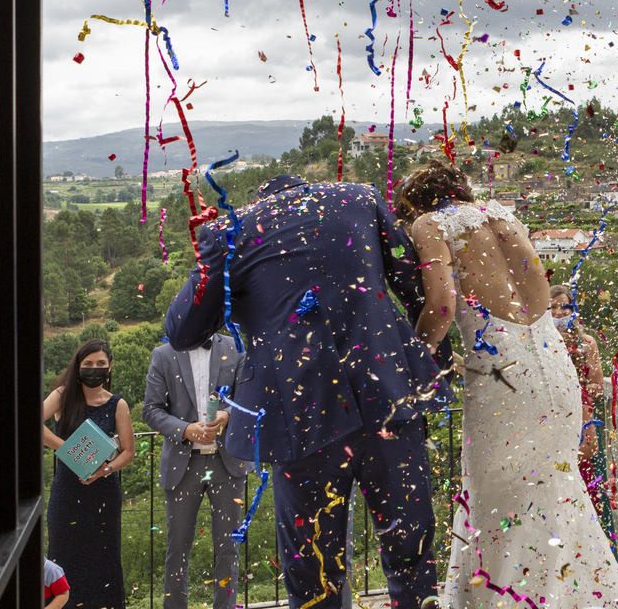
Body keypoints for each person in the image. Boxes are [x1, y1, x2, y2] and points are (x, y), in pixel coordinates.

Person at [164, 175, 446, 609]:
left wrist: (212, 268)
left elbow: (183, 330)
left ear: (261, 199)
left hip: (300, 420)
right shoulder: (361, 196)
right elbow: (415, 287)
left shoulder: (231, 231)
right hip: (390, 400)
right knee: (412, 554)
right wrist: (431, 367)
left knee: (314, 572)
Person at [399, 161, 618, 609]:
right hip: (554, 365)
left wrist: (414, 354)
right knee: (555, 489)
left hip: (501, 372)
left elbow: (443, 306)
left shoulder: (431, 223)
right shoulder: (504, 216)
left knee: (497, 497)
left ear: (416, 202)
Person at [143, 331, 253, 609]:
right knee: (177, 547)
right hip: (183, 465)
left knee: (228, 547)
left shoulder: (236, 347)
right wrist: (185, 430)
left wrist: (227, 414)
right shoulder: (163, 354)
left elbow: (251, 397)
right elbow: (151, 410)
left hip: (228, 461)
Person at [41, 338, 135, 609]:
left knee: (103, 563)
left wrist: (106, 468)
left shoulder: (118, 404)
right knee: (64, 560)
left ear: (110, 367)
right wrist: (68, 449)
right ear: (78, 366)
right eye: (88, 364)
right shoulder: (62, 395)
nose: (95, 369)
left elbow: (128, 452)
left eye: (101, 364)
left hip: (103, 496)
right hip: (67, 494)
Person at [549, 285, 614, 538]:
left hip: (579, 413)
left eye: (564, 306)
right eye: (553, 307)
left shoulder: (586, 342)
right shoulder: (536, 339)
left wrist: (579, 391)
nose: (559, 311)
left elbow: (597, 384)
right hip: (547, 414)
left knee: (582, 463)